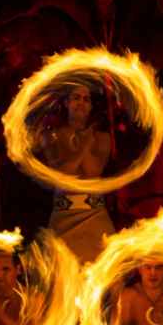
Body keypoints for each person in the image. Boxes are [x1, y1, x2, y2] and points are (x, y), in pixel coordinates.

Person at [41, 84, 115, 263]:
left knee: (101, 275)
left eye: (86, 99)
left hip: (95, 214)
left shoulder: (103, 138)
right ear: (66, 102)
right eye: (76, 97)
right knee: (61, 276)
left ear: (90, 106)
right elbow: (64, 176)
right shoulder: (50, 137)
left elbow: (92, 172)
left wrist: (85, 142)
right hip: (63, 216)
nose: (81, 103)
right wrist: (85, 144)